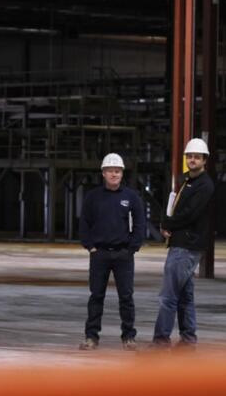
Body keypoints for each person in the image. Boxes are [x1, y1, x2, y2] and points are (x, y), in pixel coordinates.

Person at [78, 153, 146, 350]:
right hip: (99, 255)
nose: (114, 174)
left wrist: (132, 248)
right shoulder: (93, 197)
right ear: (103, 173)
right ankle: (91, 337)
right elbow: (84, 223)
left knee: (126, 297)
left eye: (117, 171)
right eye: (110, 171)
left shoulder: (131, 197)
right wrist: (90, 246)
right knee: (96, 296)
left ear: (122, 173)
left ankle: (128, 337)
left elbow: (140, 223)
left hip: (123, 255)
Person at [152, 138, 214, 348]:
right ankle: (188, 339)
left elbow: (190, 214)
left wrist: (167, 222)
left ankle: (161, 341)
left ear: (204, 160)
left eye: (196, 157)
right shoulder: (188, 182)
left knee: (168, 296)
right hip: (183, 243)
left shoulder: (204, 185)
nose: (192, 160)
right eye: (189, 156)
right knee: (185, 297)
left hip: (186, 247)